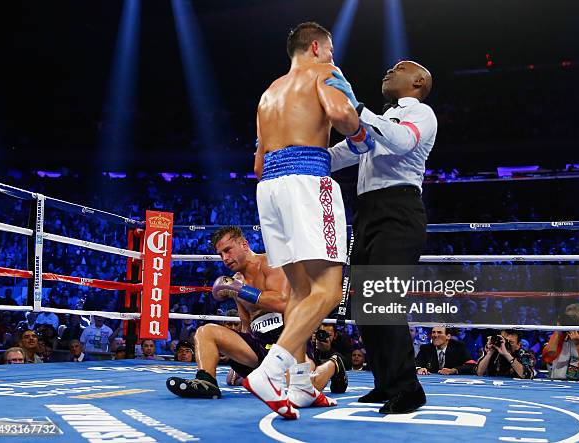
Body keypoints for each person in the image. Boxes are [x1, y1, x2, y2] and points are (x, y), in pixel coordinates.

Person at [244, 21, 363, 420]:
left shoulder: (268, 93)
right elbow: (342, 115)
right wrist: (363, 132)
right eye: (330, 50)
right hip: (307, 180)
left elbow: (258, 160)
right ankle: (269, 372)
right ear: (316, 47)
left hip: (269, 187)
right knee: (328, 291)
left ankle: (300, 385)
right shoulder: (326, 72)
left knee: (299, 289)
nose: (333, 57)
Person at [326, 60, 437, 414]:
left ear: (418, 81)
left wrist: (358, 109)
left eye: (398, 68)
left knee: (384, 299)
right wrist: (300, 158)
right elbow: (348, 152)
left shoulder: (421, 114)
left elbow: (403, 142)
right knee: (364, 305)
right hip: (367, 213)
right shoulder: (381, 120)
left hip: (398, 210)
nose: (388, 70)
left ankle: (408, 388)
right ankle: (385, 383)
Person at [166, 226, 346, 406]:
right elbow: (246, 323)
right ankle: (206, 381)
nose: (225, 258)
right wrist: (238, 358)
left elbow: (283, 302)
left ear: (244, 244)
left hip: (290, 340)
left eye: (228, 250)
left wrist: (240, 290)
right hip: (259, 345)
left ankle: (333, 364)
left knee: (298, 387)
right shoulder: (236, 279)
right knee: (205, 332)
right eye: (221, 254)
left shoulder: (271, 263)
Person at [542, 303, 579, 381]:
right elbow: (547, 358)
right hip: (556, 387)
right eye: (569, 319)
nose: (571, 323)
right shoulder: (561, 336)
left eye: (575, 319)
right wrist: (558, 330)